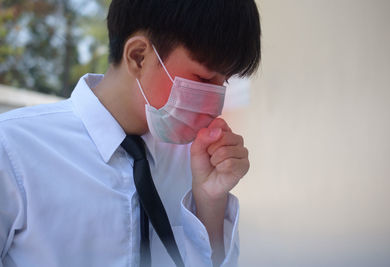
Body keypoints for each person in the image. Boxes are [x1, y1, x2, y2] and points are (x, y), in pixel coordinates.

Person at [0, 0, 261, 266]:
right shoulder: (12, 151)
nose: (214, 105)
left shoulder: (197, 161)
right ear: (138, 56)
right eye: (204, 79)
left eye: (224, 81)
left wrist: (210, 203)